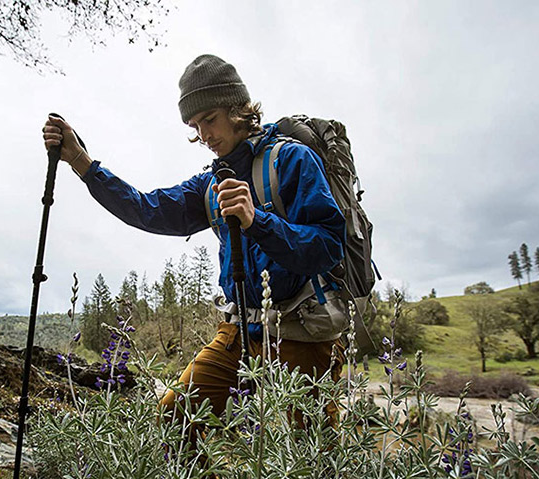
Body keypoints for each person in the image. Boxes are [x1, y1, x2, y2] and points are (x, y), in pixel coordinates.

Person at [42, 54, 346, 432]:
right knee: (176, 414)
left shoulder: (292, 160)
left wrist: (257, 221)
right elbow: (146, 209)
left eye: (210, 120)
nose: (204, 136)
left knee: (314, 457)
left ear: (237, 109)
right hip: (237, 332)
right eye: (194, 125)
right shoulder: (209, 184)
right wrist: (81, 162)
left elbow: (328, 245)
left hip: (302, 333)